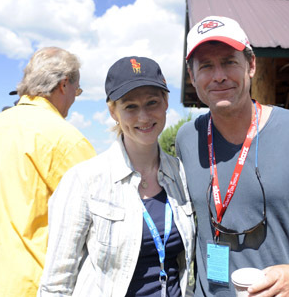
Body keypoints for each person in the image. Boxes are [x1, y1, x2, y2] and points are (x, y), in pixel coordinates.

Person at [175, 16, 289, 297]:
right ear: (192, 77)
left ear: (251, 65)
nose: (218, 76)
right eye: (205, 66)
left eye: (229, 61)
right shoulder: (187, 139)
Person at [38, 56, 195, 296]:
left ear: (165, 102)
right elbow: (56, 284)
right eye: (130, 106)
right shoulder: (84, 181)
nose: (143, 117)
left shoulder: (181, 175)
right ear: (113, 111)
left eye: (152, 102)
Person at [0, 47, 96, 297]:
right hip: (36, 285)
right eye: (78, 90)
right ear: (64, 85)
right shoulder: (66, 141)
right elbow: (102, 216)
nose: (74, 98)